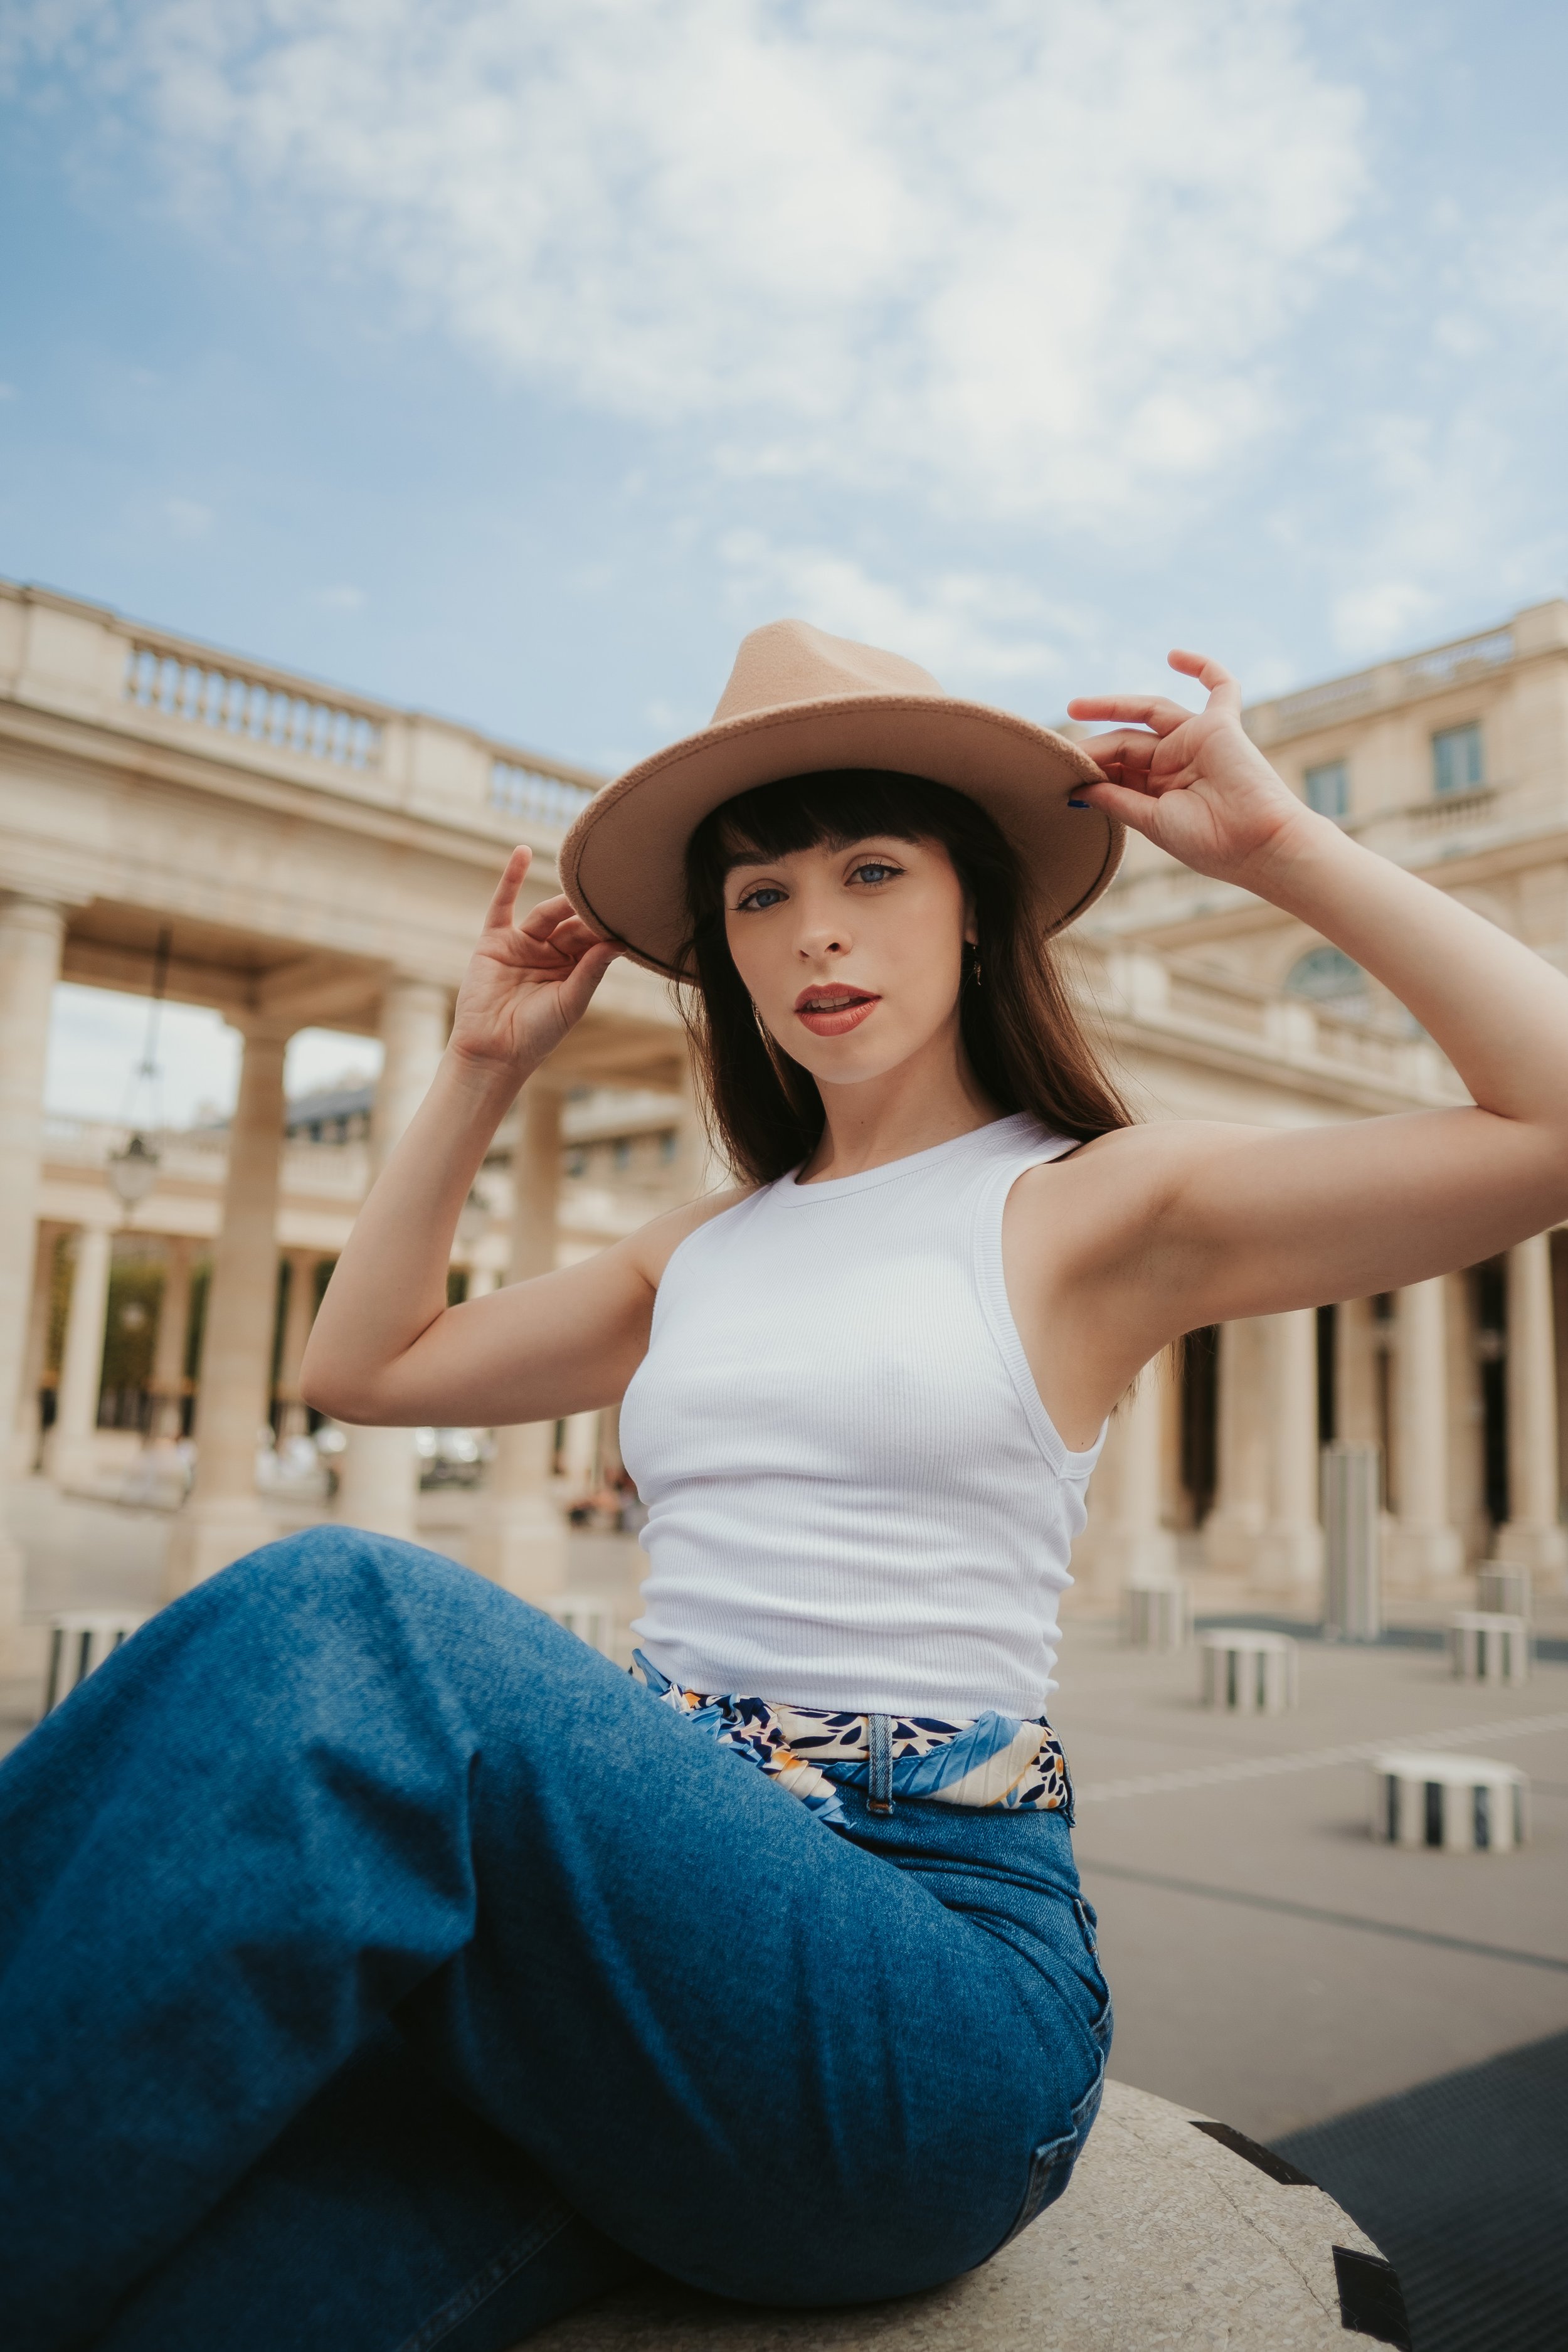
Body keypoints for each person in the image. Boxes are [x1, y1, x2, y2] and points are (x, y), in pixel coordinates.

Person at [5, 618, 1568, 2352]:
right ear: (727, 956)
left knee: (350, 1615)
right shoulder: (706, 1245)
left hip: (926, 1982)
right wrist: (477, 1064)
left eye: (871, 869)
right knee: (187, 2283)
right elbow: (367, 1368)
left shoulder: (1085, 1208)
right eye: (756, 896)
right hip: (637, 1958)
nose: (812, 924)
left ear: (974, 907)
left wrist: (1282, 848)